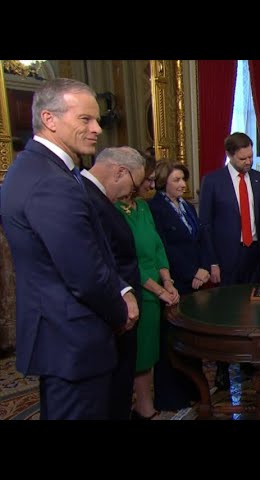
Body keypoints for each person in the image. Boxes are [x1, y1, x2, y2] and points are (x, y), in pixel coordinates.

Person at [0, 78, 138, 419]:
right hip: (73, 338)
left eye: (97, 120)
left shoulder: (43, 169)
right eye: (85, 120)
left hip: (64, 336)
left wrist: (121, 286)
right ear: (50, 119)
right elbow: (83, 273)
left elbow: (90, 245)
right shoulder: (49, 180)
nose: (97, 129)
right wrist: (120, 311)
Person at [199, 132, 260, 390]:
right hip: (225, 258)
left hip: (253, 254)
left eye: (250, 156)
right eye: (243, 158)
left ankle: (247, 362)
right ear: (230, 155)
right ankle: (222, 368)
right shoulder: (212, 181)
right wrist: (212, 262)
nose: (248, 161)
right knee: (225, 314)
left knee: (252, 311)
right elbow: (205, 226)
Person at [81, 146, 146, 420]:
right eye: (135, 185)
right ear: (121, 172)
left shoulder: (98, 198)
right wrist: (123, 301)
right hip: (113, 314)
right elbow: (95, 261)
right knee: (110, 393)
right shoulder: (84, 196)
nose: (133, 193)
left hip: (120, 314)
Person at [115, 154, 180, 420]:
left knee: (150, 352)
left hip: (156, 291)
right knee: (137, 354)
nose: (151, 185)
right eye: (148, 180)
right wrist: (159, 290)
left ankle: (144, 404)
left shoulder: (143, 207)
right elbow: (127, 262)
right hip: (137, 292)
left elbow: (156, 247)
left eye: (154, 180)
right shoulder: (114, 211)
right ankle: (141, 407)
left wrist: (168, 280)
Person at [148, 160, 212, 411]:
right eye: (177, 180)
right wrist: (191, 271)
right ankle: (172, 396)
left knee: (191, 340)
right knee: (173, 341)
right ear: (164, 182)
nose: (183, 184)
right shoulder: (156, 208)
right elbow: (163, 249)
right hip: (175, 283)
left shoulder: (186, 206)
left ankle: (192, 389)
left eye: (184, 179)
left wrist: (204, 268)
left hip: (197, 281)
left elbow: (200, 239)